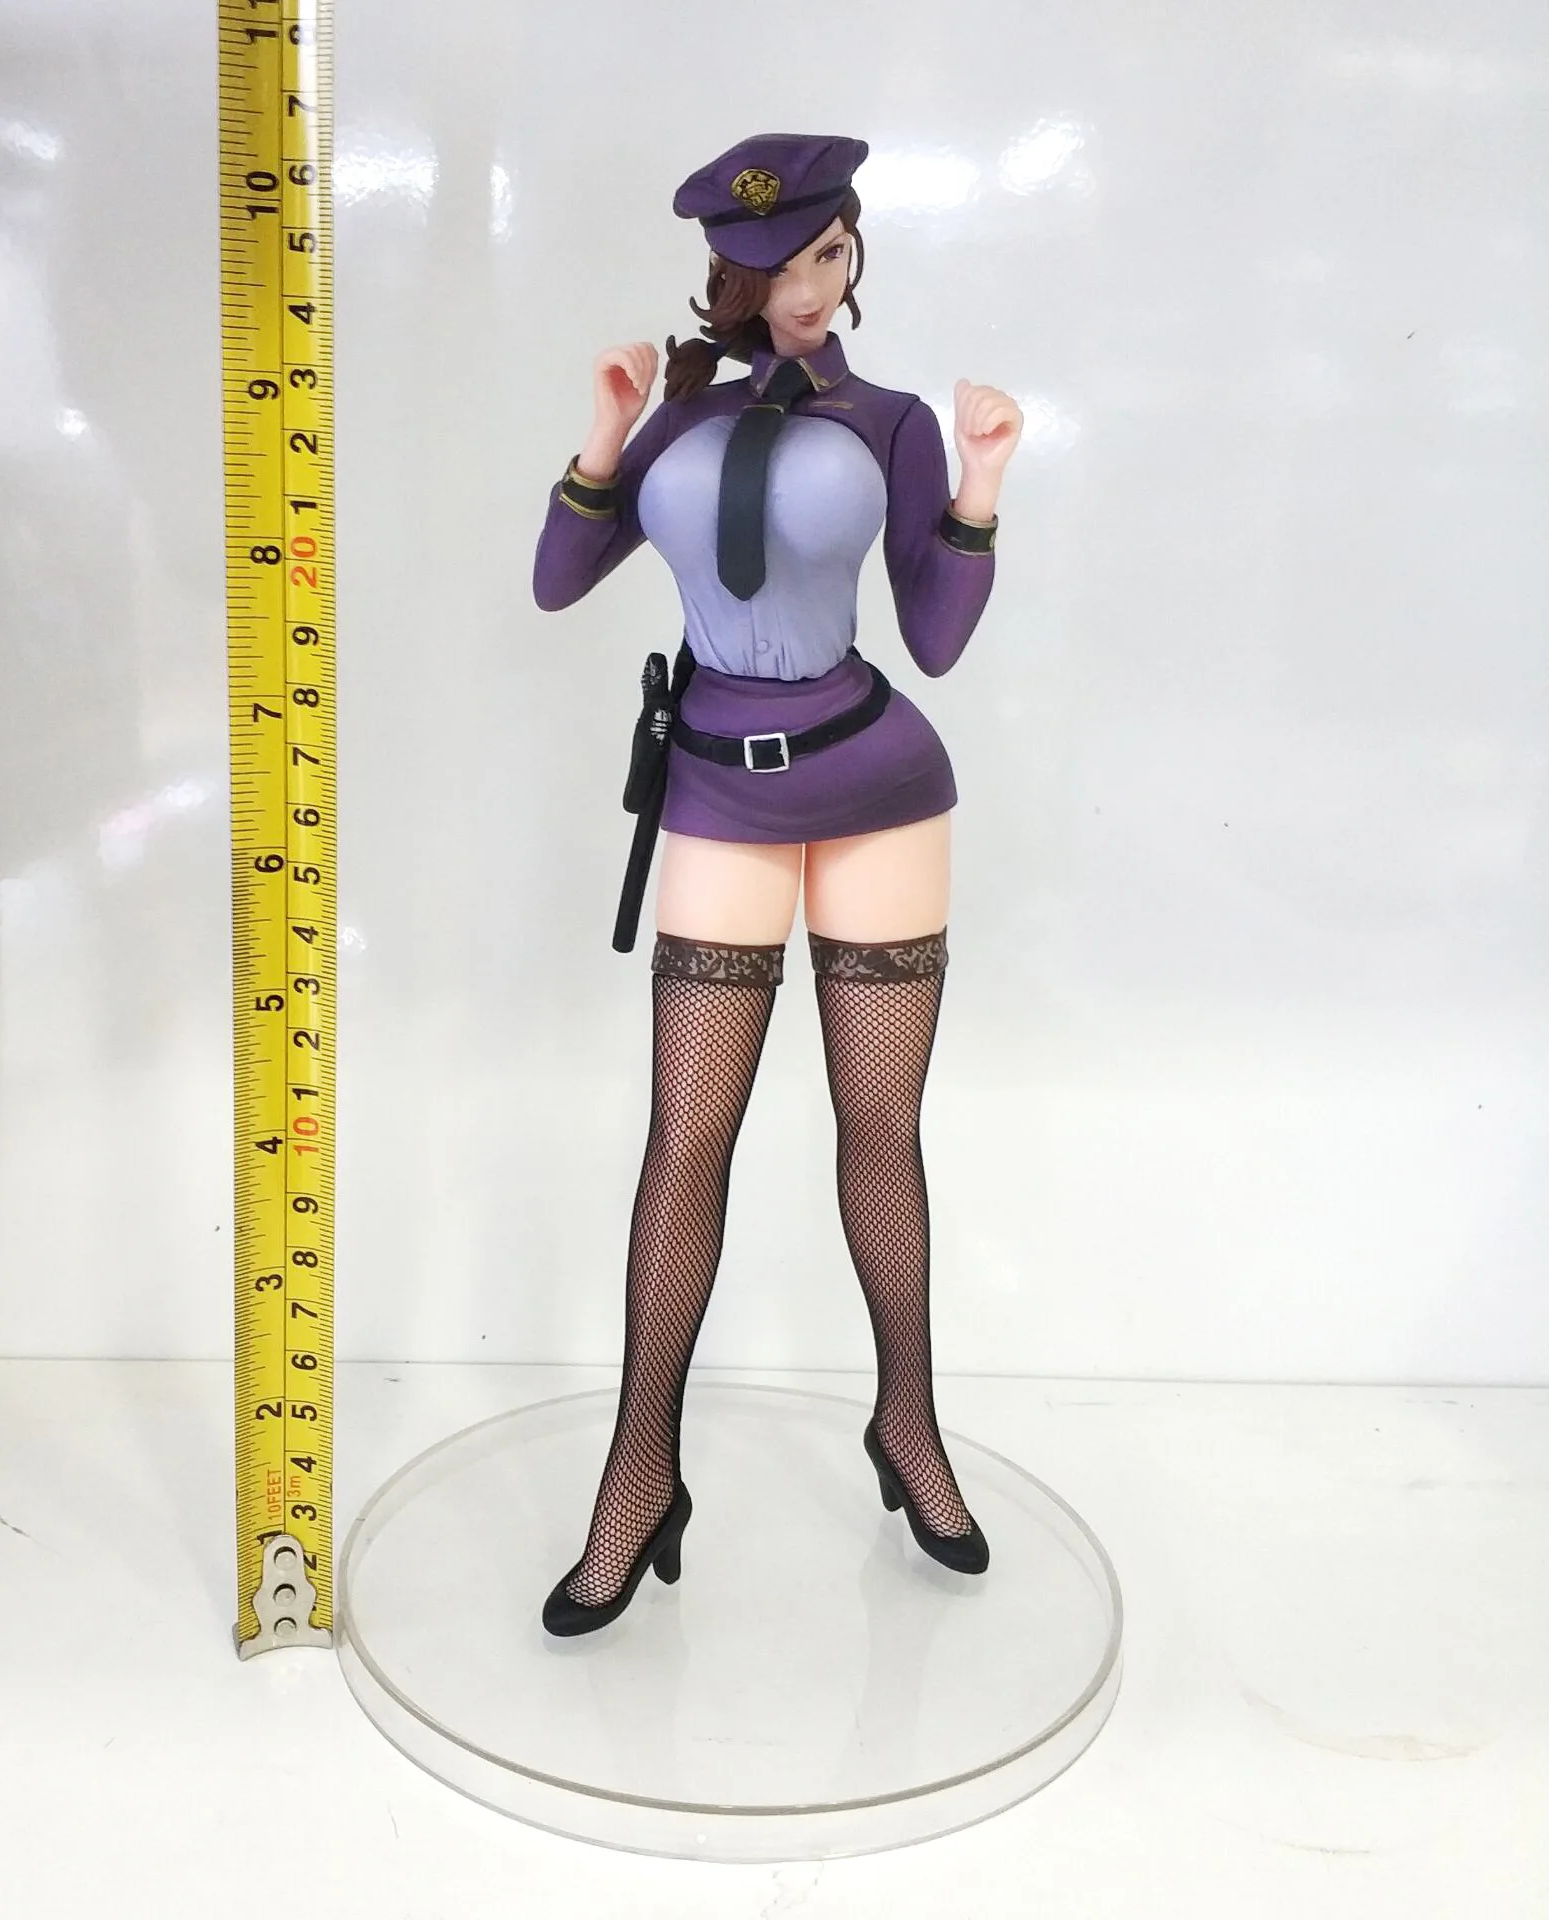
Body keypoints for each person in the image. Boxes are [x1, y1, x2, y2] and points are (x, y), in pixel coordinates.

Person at [531, 133, 1024, 1636]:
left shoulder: (890, 423)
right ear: (731, 275)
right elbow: (557, 580)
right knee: (687, 1140)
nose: (814, 285)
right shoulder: (678, 422)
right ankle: (638, 1475)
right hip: (717, 793)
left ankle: (908, 1426)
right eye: (785, 263)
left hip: (877, 784)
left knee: (882, 1131)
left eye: (832, 252)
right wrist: (605, 438)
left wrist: (980, 485)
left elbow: (935, 636)